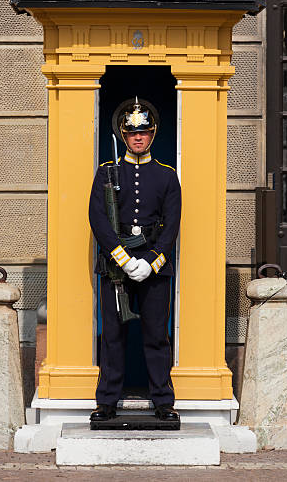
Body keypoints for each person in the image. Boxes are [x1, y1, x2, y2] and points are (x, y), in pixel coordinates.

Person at [88, 97, 181, 422]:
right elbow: (98, 218)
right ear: (123, 135)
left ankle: (163, 401)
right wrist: (123, 259)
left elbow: (172, 225)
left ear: (153, 134)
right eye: (132, 133)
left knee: (157, 335)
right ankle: (107, 401)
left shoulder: (167, 176)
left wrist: (152, 261)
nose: (137, 137)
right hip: (117, 265)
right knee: (113, 337)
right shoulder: (107, 173)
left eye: (143, 132)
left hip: (153, 267)